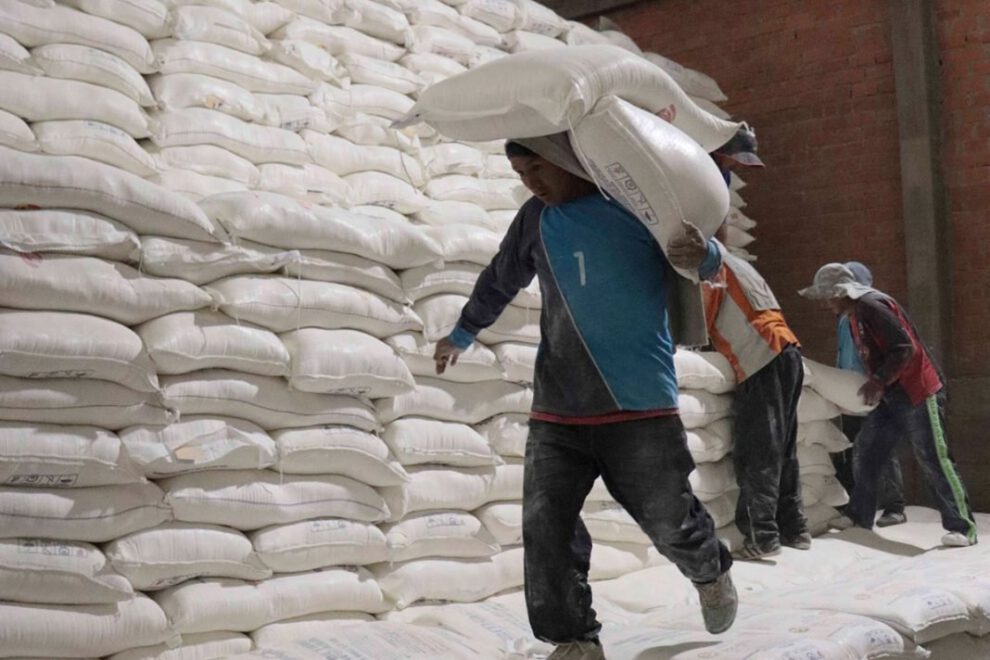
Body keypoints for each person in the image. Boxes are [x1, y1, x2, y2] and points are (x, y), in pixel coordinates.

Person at [433, 134, 736, 660]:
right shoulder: (535, 220)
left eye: (537, 169)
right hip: (559, 408)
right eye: (521, 175)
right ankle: (575, 639)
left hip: (639, 405)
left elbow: (703, 261)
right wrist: (462, 333)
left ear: (569, 159)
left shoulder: (637, 203)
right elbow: (501, 278)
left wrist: (707, 253)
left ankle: (709, 570)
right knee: (546, 531)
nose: (531, 183)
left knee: (669, 519)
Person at [798, 263, 978, 547]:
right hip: (892, 396)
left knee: (933, 457)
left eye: (828, 296)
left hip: (918, 391)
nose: (826, 303)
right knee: (867, 451)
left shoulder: (871, 305)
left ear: (842, 291)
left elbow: (905, 348)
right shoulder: (855, 313)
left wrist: (878, 380)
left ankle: (962, 526)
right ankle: (860, 516)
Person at [692, 124, 809, 561]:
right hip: (788, 351)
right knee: (786, 449)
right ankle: (796, 528)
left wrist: (692, 343)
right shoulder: (741, 265)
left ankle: (762, 538)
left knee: (759, 449)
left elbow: (706, 311)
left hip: (762, 358)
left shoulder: (714, 270)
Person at [832, 261, 907, 527]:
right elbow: (844, 354)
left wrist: (878, 383)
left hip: (873, 388)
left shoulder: (872, 314)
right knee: (853, 448)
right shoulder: (844, 319)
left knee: (881, 449)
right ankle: (859, 506)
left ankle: (895, 507)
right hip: (850, 390)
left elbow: (895, 351)